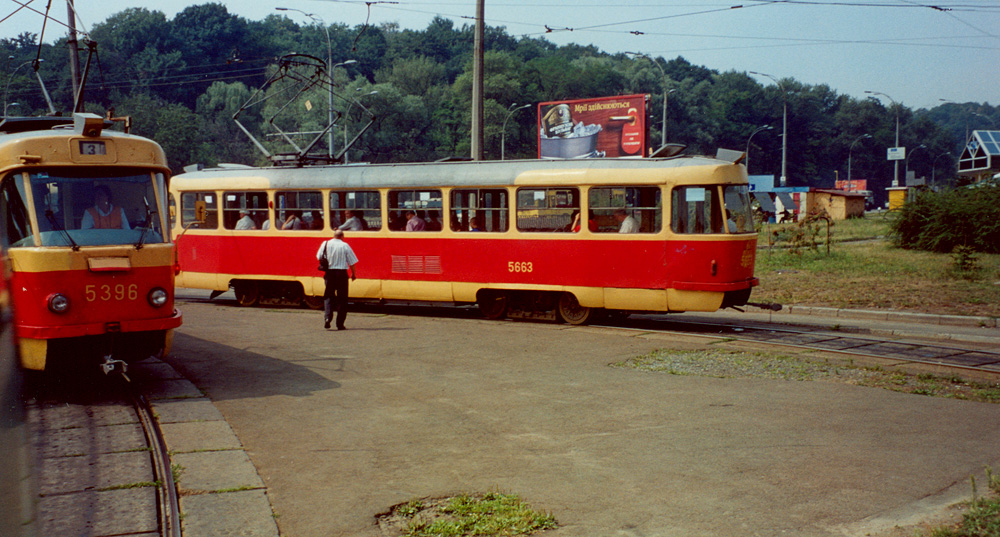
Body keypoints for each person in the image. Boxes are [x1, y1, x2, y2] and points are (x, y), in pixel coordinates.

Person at [316, 229, 359, 330]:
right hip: (342, 274)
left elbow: (319, 256)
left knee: (328, 296)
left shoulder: (325, 243)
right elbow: (352, 261)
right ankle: (340, 324)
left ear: (334, 235)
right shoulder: (345, 245)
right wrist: (353, 273)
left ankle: (327, 318)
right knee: (342, 299)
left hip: (330, 273)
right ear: (342, 236)